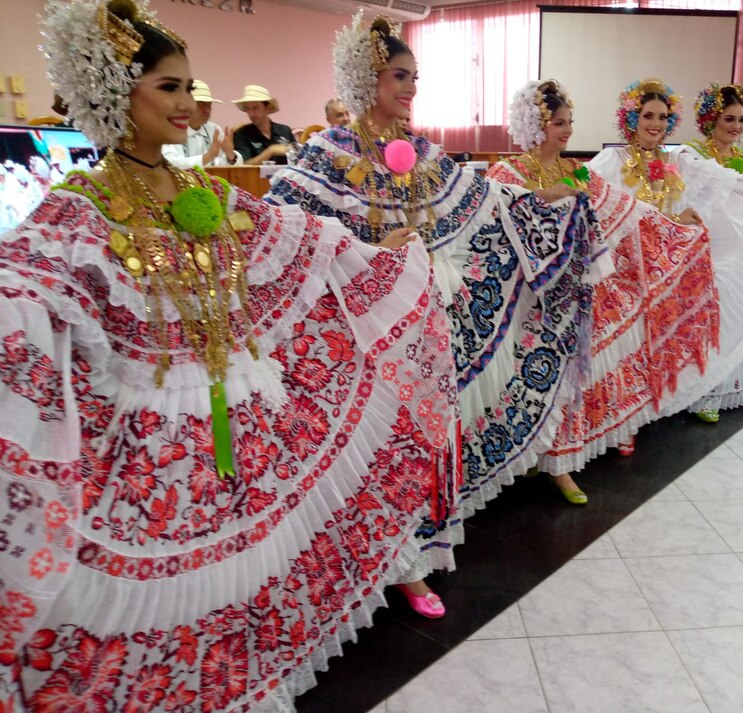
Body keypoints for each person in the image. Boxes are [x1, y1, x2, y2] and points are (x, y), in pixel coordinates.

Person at [0, 0, 459, 707]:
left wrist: (380, 257)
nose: (190, 104)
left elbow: (301, 237)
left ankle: (248, 674)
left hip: (241, 412)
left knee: (249, 570)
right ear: (113, 91)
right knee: (169, 591)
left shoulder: (200, 189)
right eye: (169, 87)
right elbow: (27, 287)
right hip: (155, 438)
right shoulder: (80, 204)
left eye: (190, 87)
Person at [268, 12, 611, 530]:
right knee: (383, 429)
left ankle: (424, 526)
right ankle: (387, 539)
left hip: (428, 309)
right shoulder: (328, 151)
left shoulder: (424, 152)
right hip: (364, 321)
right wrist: (371, 252)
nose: (411, 89)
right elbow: (291, 226)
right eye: (400, 76)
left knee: (426, 421)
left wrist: (548, 199)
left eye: (414, 77)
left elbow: (491, 200)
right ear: (367, 79)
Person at [486, 80, 721, 477]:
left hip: (575, 283)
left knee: (623, 318)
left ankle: (592, 440)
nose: (567, 130)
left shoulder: (575, 169)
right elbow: (498, 224)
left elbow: (625, 208)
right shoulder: (506, 171)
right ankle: (536, 453)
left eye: (569, 122)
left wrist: (673, 222)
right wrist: (546, 198)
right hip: (527, 293)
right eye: (559, 123)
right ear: (535, 125)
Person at [589, 78, 743, 422]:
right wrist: (664, 218)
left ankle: (650, 407)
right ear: (631, 119)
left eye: (663, 117)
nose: (656, 124)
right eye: (648, 115)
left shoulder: (675, 161)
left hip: (665, 264)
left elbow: (725, 182)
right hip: (623, 267)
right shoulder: (612, 158)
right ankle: (616, 415)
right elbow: (598, 209)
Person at [162, 79, 242, 168]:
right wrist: (208, 156)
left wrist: (230, 155)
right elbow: (170, 164)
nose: (207, 110)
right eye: (201, 104)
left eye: (209, 104)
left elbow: (225, 165)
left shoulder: (214, 129)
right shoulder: (170, 130)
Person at [232, 85, 296, 165]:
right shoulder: (242, 134)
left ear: (267, 108)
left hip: (285, 176)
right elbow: (244, 165)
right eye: (248, 108)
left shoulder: (285, 131)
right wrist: (270, 151)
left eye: (255, 108)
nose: (251, 114)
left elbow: (299, 157)